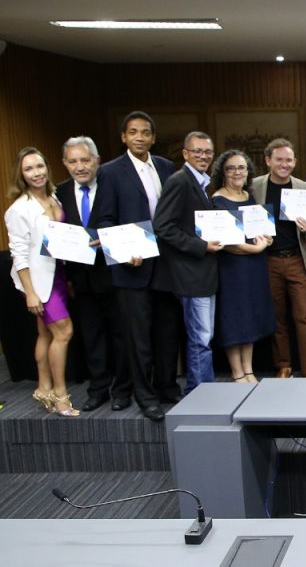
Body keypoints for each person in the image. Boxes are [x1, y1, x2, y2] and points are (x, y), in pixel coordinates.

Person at [93, 111, 181, 422]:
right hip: (132, 267)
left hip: (165, 266)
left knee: (167, 332)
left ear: (154, 137)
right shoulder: (110, 172)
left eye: (145, 132)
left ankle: (167, 385)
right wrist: (124, 249)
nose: (140, 137)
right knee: (139, 337)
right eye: (133, 132)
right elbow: (104, 220)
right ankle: (146, 396)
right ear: (124, 137)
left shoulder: (166, 167)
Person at [55, 136, 129, 411]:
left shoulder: (114, 187)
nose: (80, 167)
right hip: (80, 280)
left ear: (97, 161)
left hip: (115, 274)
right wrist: (68, 278)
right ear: (64, 164)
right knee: (92, 336)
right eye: (73, 161)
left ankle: (123, 389)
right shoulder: (59, 193)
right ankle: (98, 388)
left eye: (85, 160)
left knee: (121, 336)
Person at [5, 147, 78, 417]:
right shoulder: (18, 209)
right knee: (64, 332)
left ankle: (43, 388)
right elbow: (19, 254)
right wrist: (30, 293)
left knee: (46, 333)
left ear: (47, 167)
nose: (36, 173)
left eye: (39, 166)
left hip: (58, 274)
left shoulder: (54, 195)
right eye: (29, 169)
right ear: (21, 174)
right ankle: (60, 395)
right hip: (37, 281)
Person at [153, 131, 223, 394]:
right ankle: (200, 393)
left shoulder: (202, 184)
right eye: (197, 151)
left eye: (207, 152)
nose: (203, 156)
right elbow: (163, 226)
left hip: (203, 274)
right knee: (200, 339)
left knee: (204, 338)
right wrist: (201, 246)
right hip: (190, 274)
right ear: (185, 154)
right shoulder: (180, 181)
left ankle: (204, 389)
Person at [251, 138, 306, 378]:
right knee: (277, 317)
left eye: (289, 160)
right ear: (268, 160)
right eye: (279, 159)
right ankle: (284, 366)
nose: (284, 164)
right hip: (267, 260)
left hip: (297, 259)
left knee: (304, 317)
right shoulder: (254, 186)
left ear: (295, 161)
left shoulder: (305, 188)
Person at [209, 150, 275, 383]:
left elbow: (258, 230)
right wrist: (256, 249)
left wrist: (267, 238)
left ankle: (248, 369)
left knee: (249, 317)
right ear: (222, 173)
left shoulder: (249, 197)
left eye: (241, 168)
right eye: (231, 168)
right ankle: (237, 372)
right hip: (231, 268)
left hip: (253, 269)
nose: (237, 172)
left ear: (248, 172)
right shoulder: (217, 200)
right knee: (234, 318)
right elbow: (225, 242)